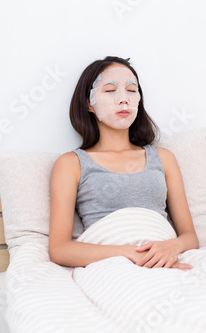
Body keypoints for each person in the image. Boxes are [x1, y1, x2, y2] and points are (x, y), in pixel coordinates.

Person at [49, 56, 198, 270]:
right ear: (88, 103)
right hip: (112, 267)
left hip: (167, 261)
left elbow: (190, 237)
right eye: (110, 90)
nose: (123, 99)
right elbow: (60, 249)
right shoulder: (71, 164)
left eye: (131, 90)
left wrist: (171, 247)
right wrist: (130, 254)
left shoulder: (163, 158)